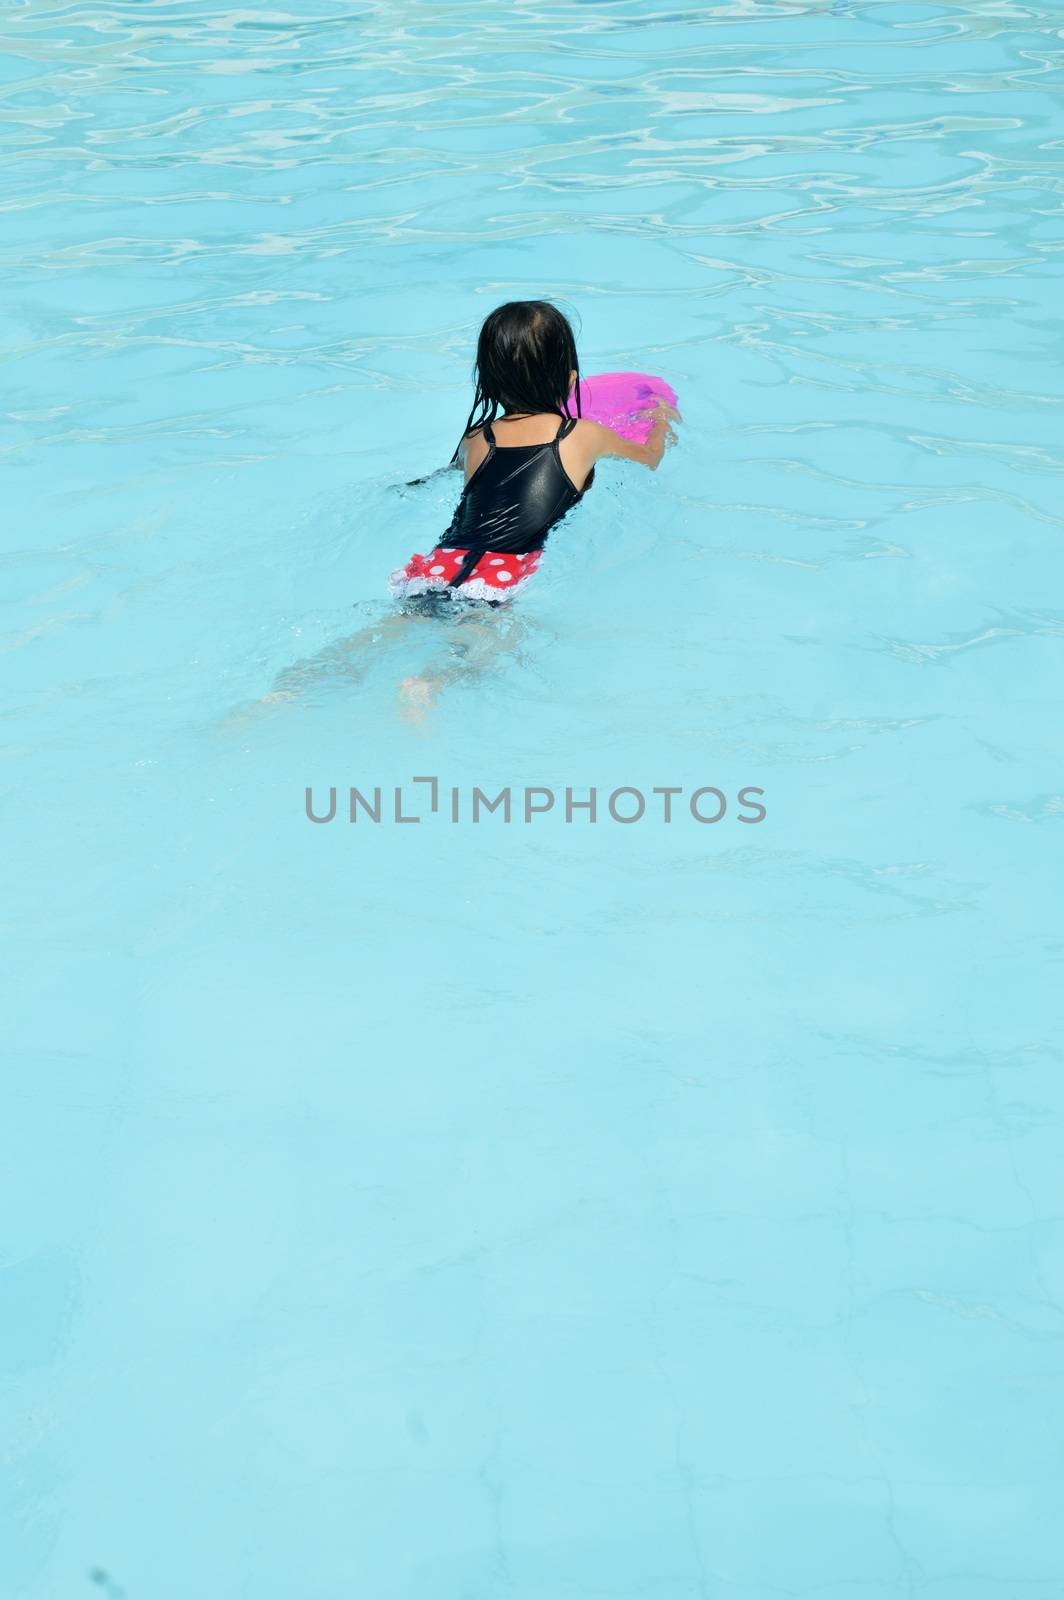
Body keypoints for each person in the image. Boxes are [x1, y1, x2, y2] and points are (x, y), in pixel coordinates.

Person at [390, 299, 678, 607]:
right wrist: (660, 420)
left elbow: (446, 475)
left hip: (440, 564)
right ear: (570, 381)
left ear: (487, 382)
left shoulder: (475, 439)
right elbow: (650, 459)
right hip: (503, 573)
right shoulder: (582, 434)